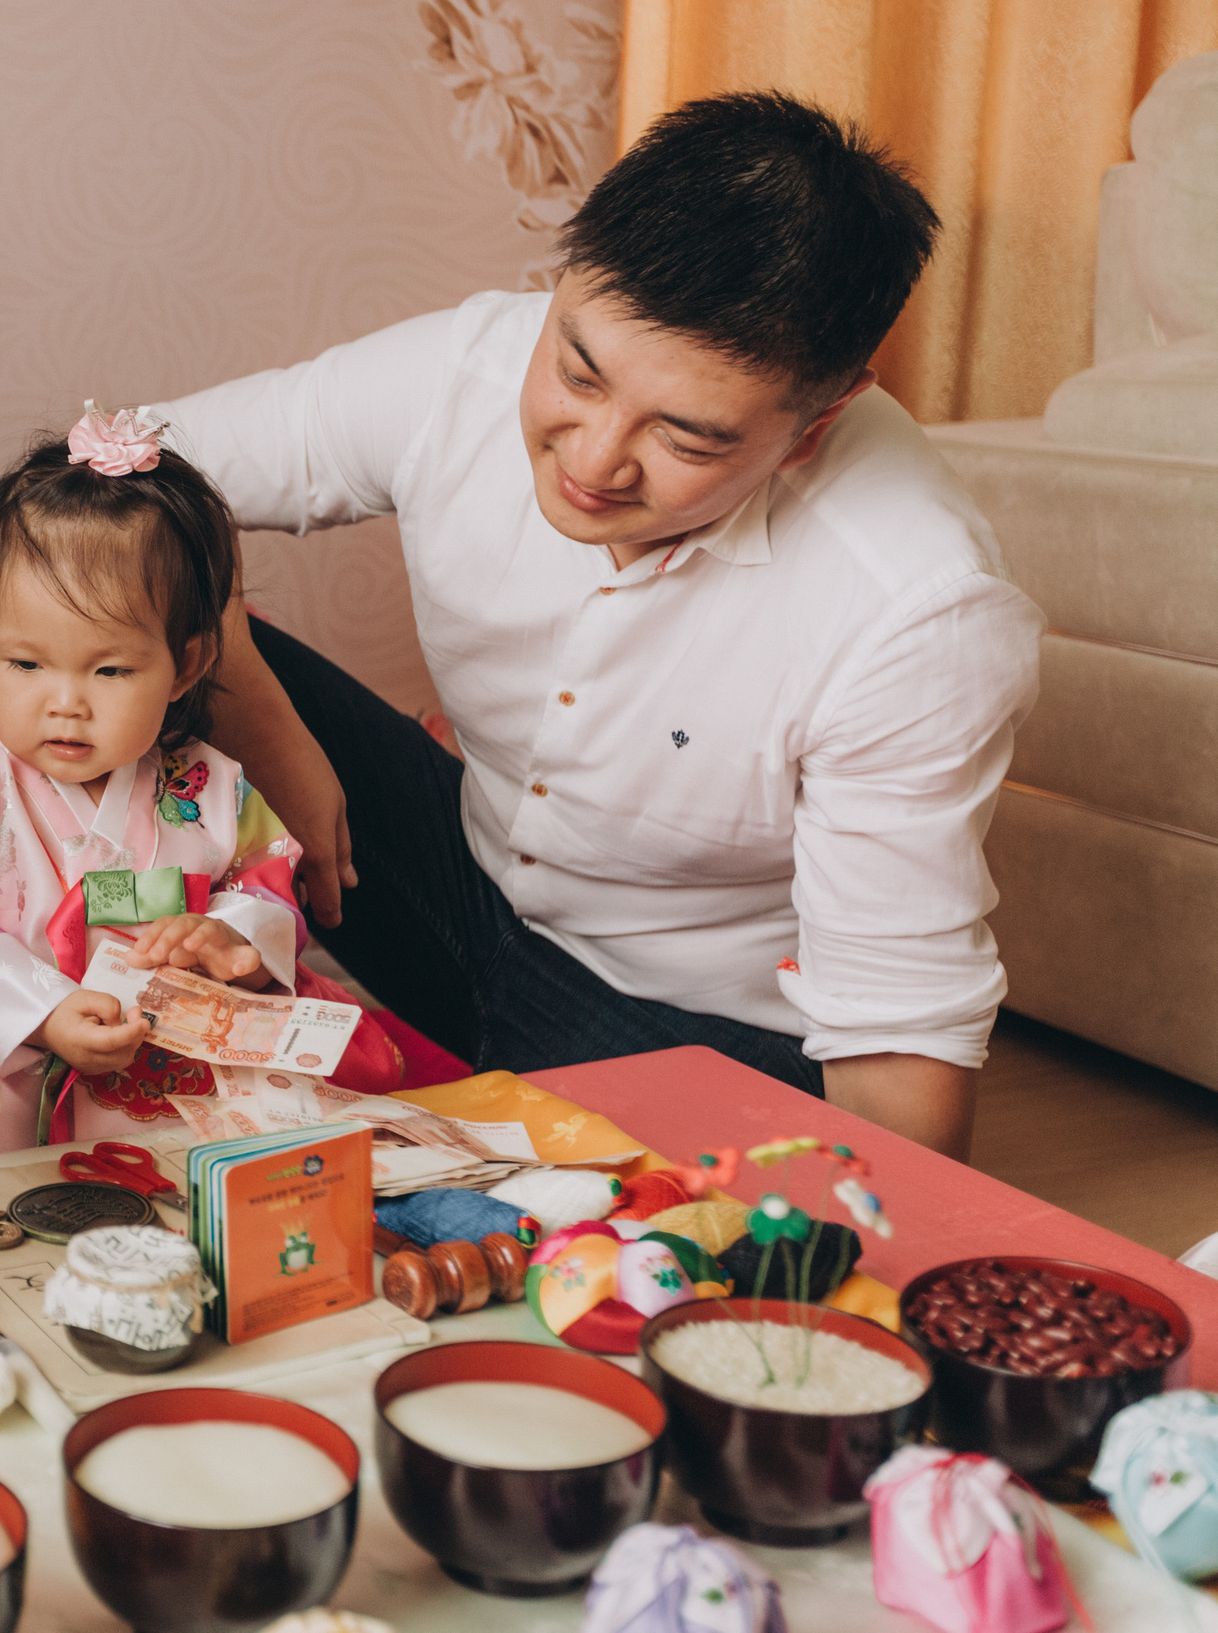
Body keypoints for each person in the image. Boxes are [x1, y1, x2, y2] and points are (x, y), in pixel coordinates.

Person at [157, 93, 1043, 1159]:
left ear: (814, 428)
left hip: (683, 1025)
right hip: (460, 886)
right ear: (564, 279)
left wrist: (888, 1262)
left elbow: (900, 1036)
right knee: (103, 639)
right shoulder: (465, 366)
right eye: (578, 373)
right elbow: (109, 465)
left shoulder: (914, 607)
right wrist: (256, 717)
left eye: (686, 437)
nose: (591, 460)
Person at [0, 408, 398, 1151]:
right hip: (10, 1081)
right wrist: (46, 1011)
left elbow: (266, 887)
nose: (65, 702)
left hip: (173, 1089)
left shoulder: (212, 784)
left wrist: (227, 937)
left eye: (110, 669)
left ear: (185, 665)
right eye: (25, 663)